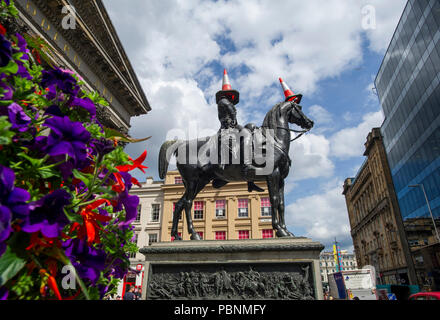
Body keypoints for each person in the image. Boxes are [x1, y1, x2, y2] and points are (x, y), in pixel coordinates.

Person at [215, 69, 263, 192]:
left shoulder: (227, 102)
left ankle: (250, 180)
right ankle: (246, 165)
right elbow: (231, 117)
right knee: (246, 134)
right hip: (228, 128)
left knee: (251, 128)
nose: (232, 97)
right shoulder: (224, 102)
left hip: (234, 126)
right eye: (230, 94)